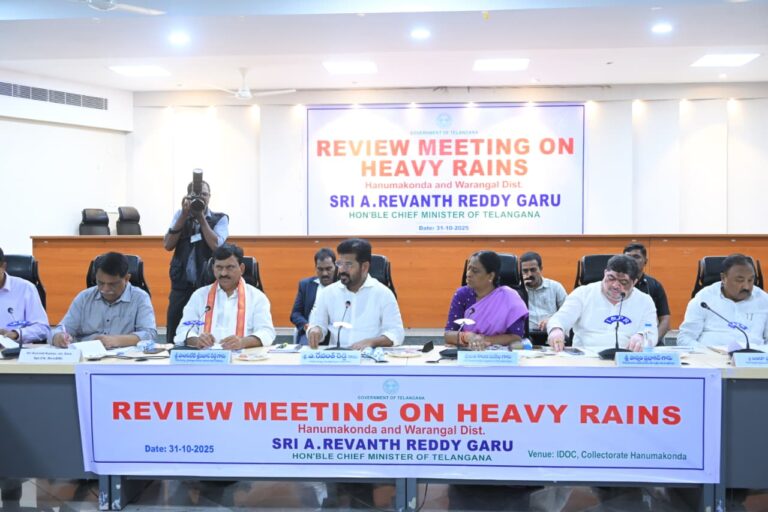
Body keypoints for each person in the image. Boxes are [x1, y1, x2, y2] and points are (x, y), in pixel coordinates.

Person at [164, 175, 229, 342]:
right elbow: (168, 245)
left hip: (207, 283)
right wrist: (184, 215)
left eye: (204, 194)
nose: (201, 198)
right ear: (187, 196)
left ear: (210, 197)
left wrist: (201, 218)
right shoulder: (181, 215)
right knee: (175, 328)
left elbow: (217, 246)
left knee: (205, 327)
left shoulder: (220, 218)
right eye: (196, 195)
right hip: (181, 283)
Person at [547, 254, 657, 352]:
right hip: (586, 358)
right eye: (611, 278)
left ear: (635, 282)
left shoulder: (645, 301)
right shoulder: (583, 293)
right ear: (605, 273)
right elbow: (559, 319)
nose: (615, 285)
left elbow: (651, 332)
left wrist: (641, 336)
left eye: (623, 282)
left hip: (626, 358)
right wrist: (556, 330)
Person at [307, 238, 403, 349]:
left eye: (348, 264)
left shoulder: (384, 294)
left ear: (364, 267)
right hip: (338, 356)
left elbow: (396, 333)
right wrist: (315, 330)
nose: (342, 270)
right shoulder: (328, 293)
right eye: (340, 264)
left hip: (369, 356)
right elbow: (317, 323)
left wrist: (372, 342)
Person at [175, 243, 275, 349]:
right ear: (213, 268)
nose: (223, 273)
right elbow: (183, 330)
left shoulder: (257, 297)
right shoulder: (199, 295)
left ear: (241, 268)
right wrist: (197, 340)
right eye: (219, 267)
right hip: (206, 356)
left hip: (243, 356)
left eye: (230, 267)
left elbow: (266, 332)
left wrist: (242, 342)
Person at [51, 252, 156, 348]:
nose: (105, 289)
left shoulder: (140, 298)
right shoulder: (84, 297)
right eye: (100, 283)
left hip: (124, 356)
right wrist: (58, 337)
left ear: (127, 278)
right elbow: (63, 329)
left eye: (112, 284)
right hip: (87, 355)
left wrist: (116, 340)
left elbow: (149, 334)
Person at [678, 253, 768, 347]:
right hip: (710, 354)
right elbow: (685, 338)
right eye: (740, 280)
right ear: (723, 278)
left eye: (750, 280)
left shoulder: (764, 300)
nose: (747, 286)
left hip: (753, 355)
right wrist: (706, 352)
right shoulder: (704, 299)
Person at [444, 250, 528, 348]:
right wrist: (467, 337)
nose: (468, 274)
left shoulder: (509, 297)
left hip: (501, 353)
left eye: (475, 271)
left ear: (491, 276)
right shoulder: (462, 294)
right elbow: (448, 335)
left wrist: (483, 340)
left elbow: (516, 337)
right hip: (468, 352)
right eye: (468, 269)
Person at [623, 242, 671, 343]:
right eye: (628, 257)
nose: (631, 260)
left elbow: (665, 319)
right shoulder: (615, 286)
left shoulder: (654, 285)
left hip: (647, 337)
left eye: (636, 257)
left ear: (645, 261)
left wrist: (652, 340)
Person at [0, 247, 49, 343]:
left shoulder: (25, 288)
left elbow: (42, 328)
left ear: (3, 267)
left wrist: (16, 334)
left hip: (14, 349)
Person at [290, 248, 337, 345]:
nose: (324, 273)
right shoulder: (306, 285)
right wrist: (306, 326)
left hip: (335, 333)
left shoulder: (343, 287)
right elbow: (295, 314)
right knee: (305, 351)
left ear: (335, 267)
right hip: (311, 332)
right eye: (320, 269)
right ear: (315, 267)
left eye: (328, 269)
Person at [520, 251, 566, 335]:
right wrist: (522, 290)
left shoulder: (555, 287)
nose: (529, 274)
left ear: (540, 269)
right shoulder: (517, 291)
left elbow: (567, 312)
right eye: (525, 271)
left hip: (551, 332)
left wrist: (553, 320)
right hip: (526, 335)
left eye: (533, 270)